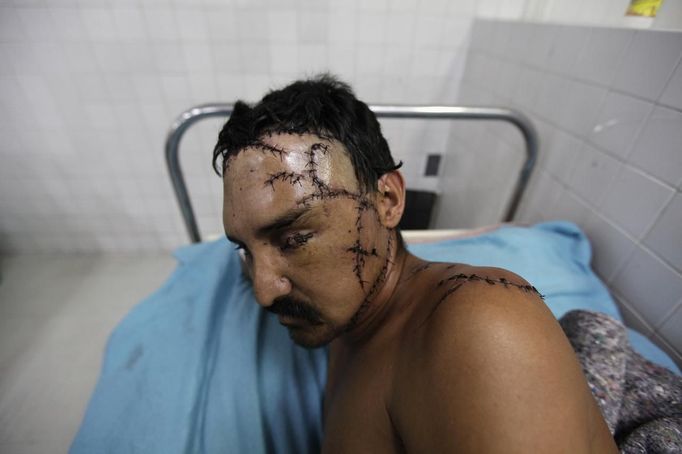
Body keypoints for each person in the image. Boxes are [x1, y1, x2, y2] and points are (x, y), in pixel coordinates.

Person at [213, 74, 618, 453]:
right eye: (245, 251)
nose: (263, 291)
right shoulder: (346, 322)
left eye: (295, 238)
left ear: (386, 201)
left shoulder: (480, 326)